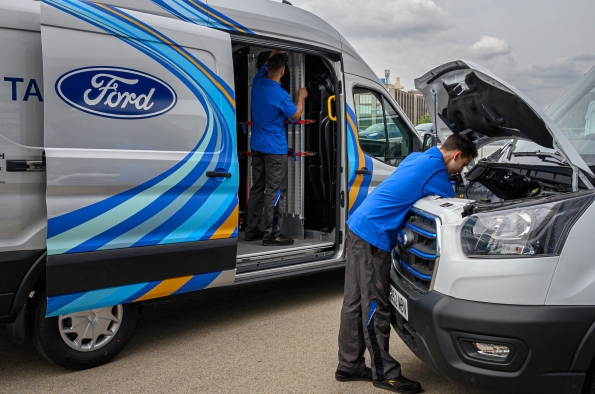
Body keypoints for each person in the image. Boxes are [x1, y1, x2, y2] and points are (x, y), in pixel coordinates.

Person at [336, 134, 478, 393]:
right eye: (464, 164)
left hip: (358, 225)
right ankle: (384, 374)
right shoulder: (436, 171)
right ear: (456, 155)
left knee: (354, 302)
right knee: (375, 305)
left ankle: (349, 365)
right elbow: (458, 208)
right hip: (373, 237)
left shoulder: (418, 158)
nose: (463, 170)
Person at [245, 50, 308, 246]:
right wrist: (301, 97)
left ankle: (251, 230)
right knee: (274, 191)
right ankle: (272, 234)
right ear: (283, 72)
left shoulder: (258, 82)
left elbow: (266, 66)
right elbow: (296, 114)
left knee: (257, 188)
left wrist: (274, 52)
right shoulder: (280, 95)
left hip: (257, 147)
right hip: (274, 150)